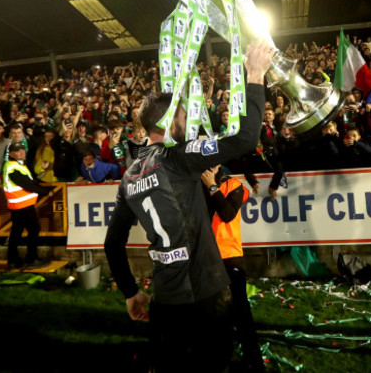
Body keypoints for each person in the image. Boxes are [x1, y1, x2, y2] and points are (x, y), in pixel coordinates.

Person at [104, 40, 272, 372]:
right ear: (168, 121)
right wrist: (255, 75)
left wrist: (130, 291)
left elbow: (112, 244)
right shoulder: (179, 156)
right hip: (207, 296)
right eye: (182, 115)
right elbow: (245, 139)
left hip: (165, 302)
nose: (186, 121)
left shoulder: (129, 177)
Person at [201, 164, 265, 372]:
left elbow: (227, 214)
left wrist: (212, 187)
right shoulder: (194, 184)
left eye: (213, 160)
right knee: (210, 312)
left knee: (240, 310)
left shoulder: (235, 185)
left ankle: (254, 361)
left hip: (230, 256)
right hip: (204, 257)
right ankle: (219, 357)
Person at [2, 141, 53, 270]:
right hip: (22, 205)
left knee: (16, 232)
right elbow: (28, 184)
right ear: (12, 154)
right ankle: (31, 259)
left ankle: (13, 260)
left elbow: (28, 183)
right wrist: (46, 192)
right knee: (33, 229)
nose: (21, 152)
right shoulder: (13, 167)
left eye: (22, 149)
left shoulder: (15, 165)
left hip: (18, 204)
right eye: (17, 151)